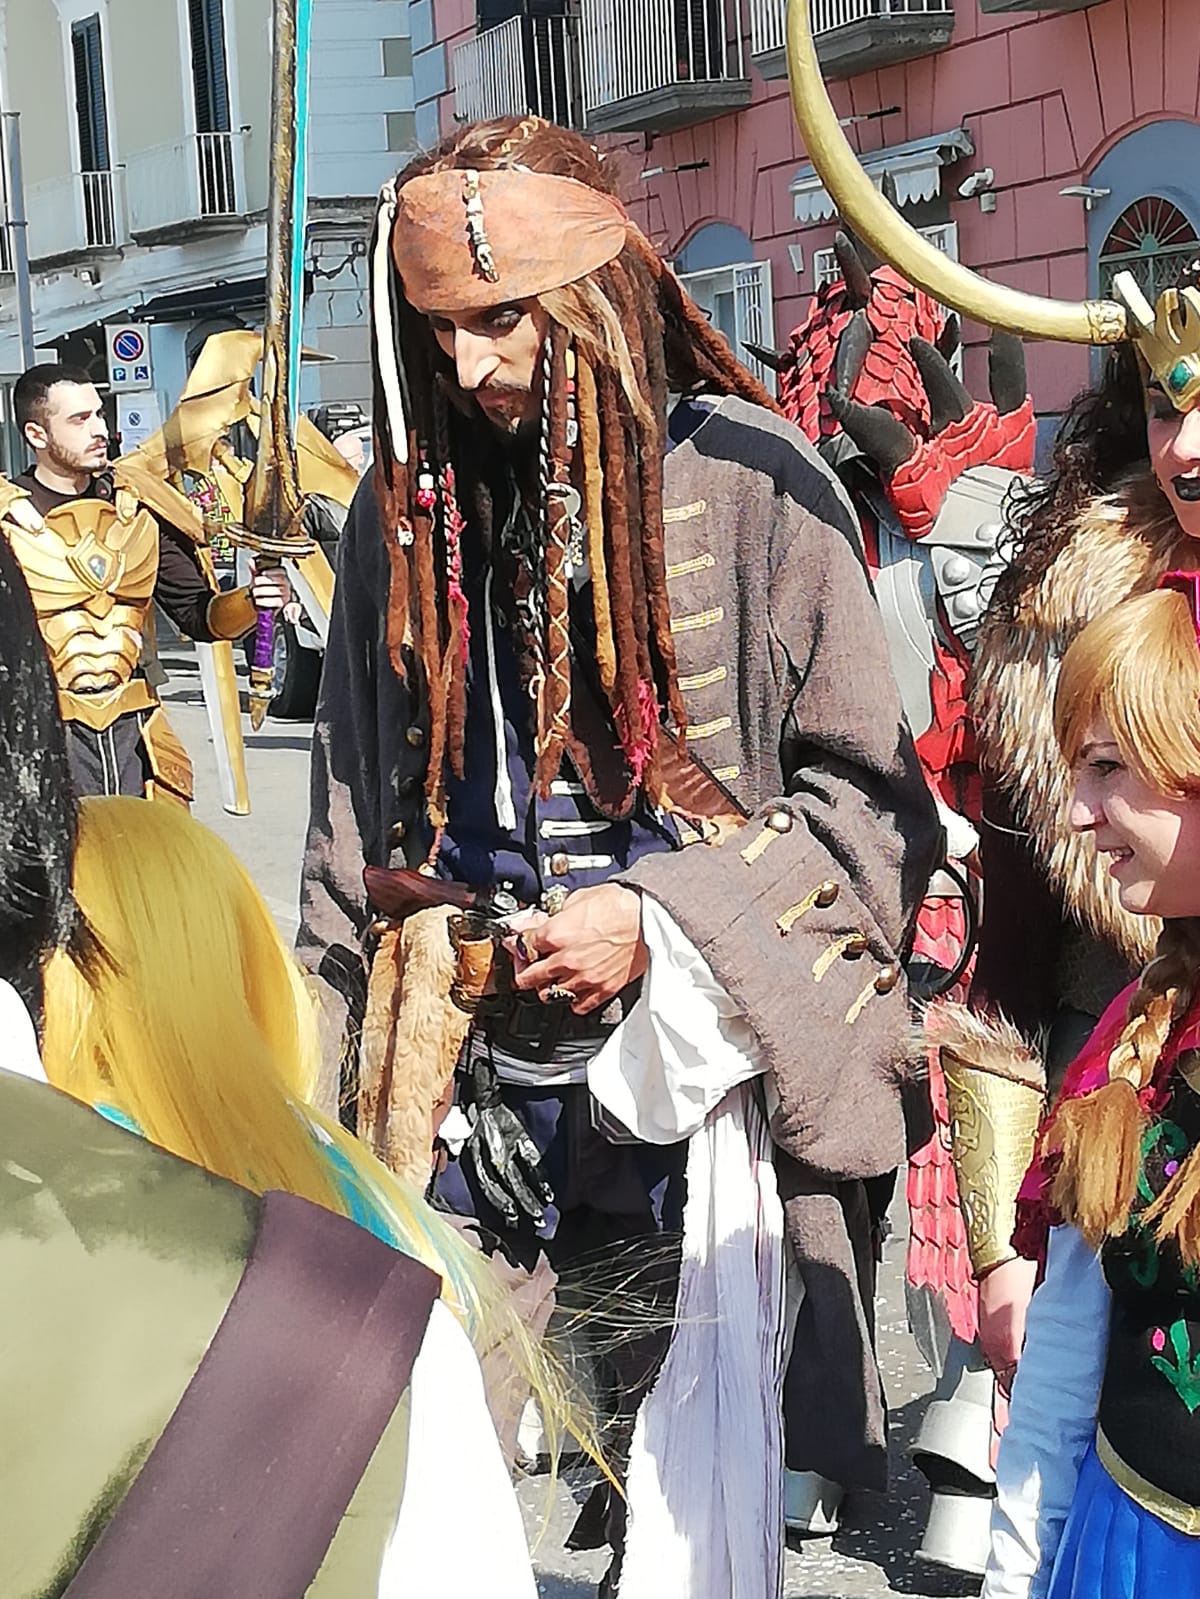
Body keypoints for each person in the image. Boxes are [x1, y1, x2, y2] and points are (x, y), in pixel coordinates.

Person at [299, 113, 940, 1591]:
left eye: (502, 318)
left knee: (680, 1523)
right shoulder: (402, 516)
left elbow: (871, 817)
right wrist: (306, 1087)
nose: (467, 364)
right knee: (414, 1492)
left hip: (691, 1097)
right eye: (437, 327)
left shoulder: (760, 482)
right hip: (459, 1083)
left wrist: (656, 918)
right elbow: (343, 836)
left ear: (593, 296)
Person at [0, 540, 537, 1597]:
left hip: (114, 764)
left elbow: (207, 615)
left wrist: (240, 598)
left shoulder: (147, 516)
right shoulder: (351, 1328)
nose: (97, 451)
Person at [772, 235, 1036, 1562]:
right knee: (826, 1164)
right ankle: (827, 1433)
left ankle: (971, 1468)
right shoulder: (797, 521)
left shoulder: (975, 510)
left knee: (980, 1174)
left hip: (982, 892)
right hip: (836, 883)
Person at [985, 576, 1200, 1597]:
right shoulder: (1135, 1040)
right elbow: (1064, 1359)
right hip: (1128, 1554)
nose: (1077, 813)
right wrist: (1017, 1573)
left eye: (1108, 768)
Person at [2, 362, 289, 801]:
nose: (99, 429)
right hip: (37, 734)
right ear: (36, 435)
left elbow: (200, 615)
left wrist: (253, 600)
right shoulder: (7, 522)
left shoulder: (140, 507)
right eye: (79, 419)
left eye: (99, 414)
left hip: (133, 734)